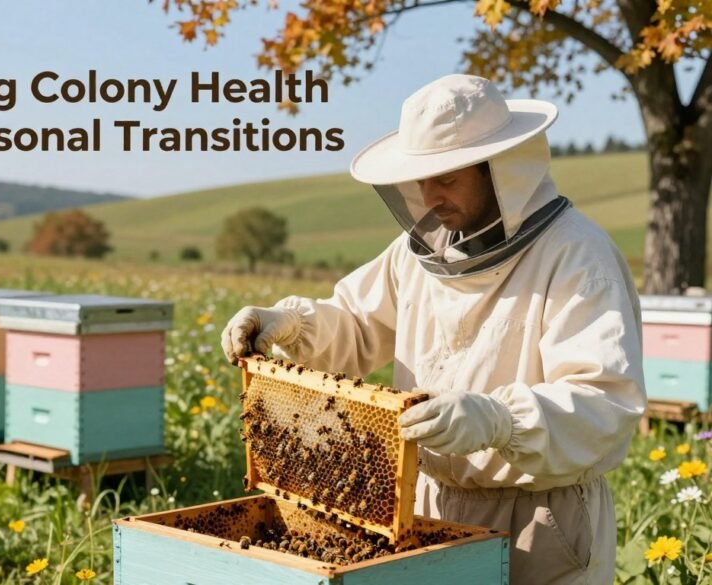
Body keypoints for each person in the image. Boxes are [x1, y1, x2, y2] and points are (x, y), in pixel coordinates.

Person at [221, 74, 645, 585]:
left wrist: (499, 420)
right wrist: (289, 324)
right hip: (427, 505)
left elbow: (605, 403)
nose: (430, 196)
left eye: (446, 178)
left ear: (499, 170)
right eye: (421, 179)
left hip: (540, 518)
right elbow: (356, 323)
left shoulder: (578, 256)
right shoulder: (420, 253)